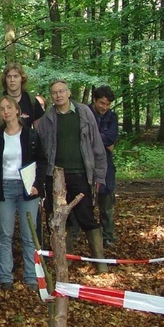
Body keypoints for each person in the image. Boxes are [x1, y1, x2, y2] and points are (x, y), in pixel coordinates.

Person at [36, 80, 108, 273]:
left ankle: (100, 260)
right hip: (55, 176)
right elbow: (41, 151)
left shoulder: (84, 113)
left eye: (61, 91)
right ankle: (64, 261)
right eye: (54, 93)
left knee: (86, 216)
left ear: (68, 93)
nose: (58, 95)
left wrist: (99, 176)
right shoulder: (47, 120)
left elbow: (97, 147)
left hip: (81, 174)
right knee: (59, 218)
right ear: (50, 96)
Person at [0, 96, 46, 290]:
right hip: (4, 188)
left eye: (9, 107)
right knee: (5, 233)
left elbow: (42, 162)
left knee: (29, 235)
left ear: (17, 110)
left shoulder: (31, 136)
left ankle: (31, 277)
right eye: (2, 109)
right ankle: (5, 278)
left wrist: (38, 185)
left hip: (27, 187)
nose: (6, 112)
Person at [0, 63, 44, 144]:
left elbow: (40, 132)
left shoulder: (31, 101)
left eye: (16, 76)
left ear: (21, 79)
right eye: (9, 77)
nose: (12, 80)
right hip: (2, 149)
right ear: (5, 79)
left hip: (26, 150)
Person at [90, 86, 119, 247]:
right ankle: (77, 236)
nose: (104, 107)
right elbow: (82, 136)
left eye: (107, 104)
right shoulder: (85, 113)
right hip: (86, 164)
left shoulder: (112, 117)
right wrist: (102, 138)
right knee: (83, 203)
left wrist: (95, 137)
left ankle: (108, 236)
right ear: (95, 100)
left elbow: (111, 139)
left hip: (106, 166)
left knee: (106, 204)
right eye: (102, 103)